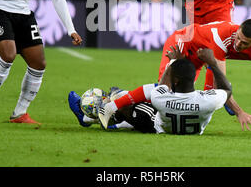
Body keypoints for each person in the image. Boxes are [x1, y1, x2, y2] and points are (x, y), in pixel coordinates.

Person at [108, 19, 251, 135]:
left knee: (205, 96)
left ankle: (130, 119)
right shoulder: (223, 37)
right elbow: (221, 84)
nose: (238, 44)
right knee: (169, 92)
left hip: (202, 57)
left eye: (244, 43)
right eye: (238, 38)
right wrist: (239, 111)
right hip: (183, 43)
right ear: (238, 29)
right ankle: (116, 107)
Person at [76, 47, 232, 135]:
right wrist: (212, 63)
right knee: (131, 99)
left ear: (175, 80)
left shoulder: (161, 99)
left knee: (124, 98)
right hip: (191, 129)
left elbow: (159, 86)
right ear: (193, 79)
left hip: (155, 125)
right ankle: (113, 115)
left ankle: (91, 117)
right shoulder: (209, 101)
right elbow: (227, 90)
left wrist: (172, 61)